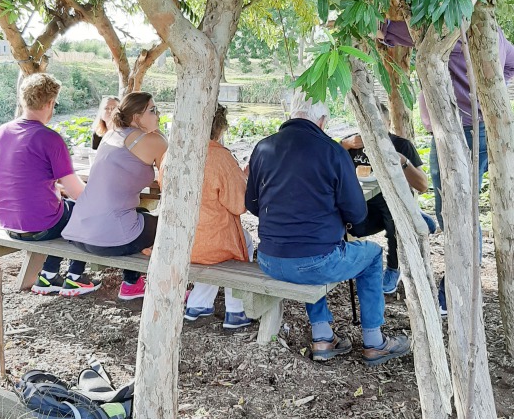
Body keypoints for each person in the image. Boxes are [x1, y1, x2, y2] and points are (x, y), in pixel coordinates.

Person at [245, 89, 410, 366]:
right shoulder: (333, 151)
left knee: (313, 248)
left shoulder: (263, 147)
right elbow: (358, 214)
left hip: (269, 260)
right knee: (370, 255)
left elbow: (251, 204)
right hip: (313, 262)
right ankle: (374, 341)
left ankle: (323, 336)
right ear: (322, 120)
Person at [379, 20, 514, 312]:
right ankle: (462, 283)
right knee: (464, 209)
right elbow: (511, 64)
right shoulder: (491, 29)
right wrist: (488, 92)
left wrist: (359, 20)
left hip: (457, 131)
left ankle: (457, 289)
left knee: (454, 212)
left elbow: (392, 29)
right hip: (475, 130)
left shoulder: (451, 25)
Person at [0, 73, 100, 297]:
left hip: (8, 224)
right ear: (50, 103)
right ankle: (76, 277)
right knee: (84, 212)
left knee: (63, 208)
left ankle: (49, 276)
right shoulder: (49, 138)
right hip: (40, 227)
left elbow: (23, 179)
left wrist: (54, 190)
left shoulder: (2, 131)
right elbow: (78, 193)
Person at [62, 92, 167, 301]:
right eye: (153, 110)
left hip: (79, 233)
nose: (158, 115)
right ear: (136, 116)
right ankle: (165, 286)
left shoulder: (111, 133)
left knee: (141, 214)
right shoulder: (152, 140)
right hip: (108, 240)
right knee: (167, 227)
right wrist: (161, 136)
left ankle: (132, 283)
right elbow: (172, 181)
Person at [341, 102, 436, 295]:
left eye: (378, 125)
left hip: (393, 205)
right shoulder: (352, 144)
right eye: (366, 125)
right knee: (353, 227)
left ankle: (394, 267)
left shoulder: (401, 145)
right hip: (364, 208)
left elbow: (423, 186)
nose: (372, 131)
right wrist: (343, 145)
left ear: (388, 123)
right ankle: (415, 215)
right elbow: (332, 167)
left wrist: (402, 161)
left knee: (393, 213)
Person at [183, 105, 253, 329]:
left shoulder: (174, 151)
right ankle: (236, 310)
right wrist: (242, 177)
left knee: (211, 244)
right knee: (244, 242)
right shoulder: (219, 157)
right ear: (220, 128)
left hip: (183, 240)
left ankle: (198, 304)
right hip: (213, 242)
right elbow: (239, 205)